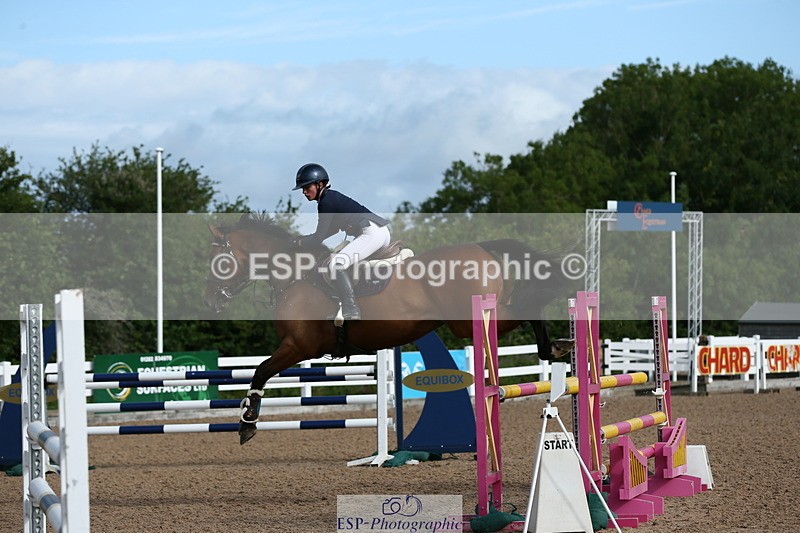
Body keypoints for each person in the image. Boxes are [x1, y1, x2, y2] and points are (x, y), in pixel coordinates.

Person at [291, 163, 390, 321]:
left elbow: (318, 239)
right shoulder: (330, 197)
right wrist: (303, 240)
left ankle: (350, 308)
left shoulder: (326, 201)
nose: (304, 192)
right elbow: (331, 231)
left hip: (371, 232)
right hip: (380, 231)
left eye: (306, 187)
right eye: (302, 188)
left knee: (336, 263)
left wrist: (298, 243)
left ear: (320, 184)